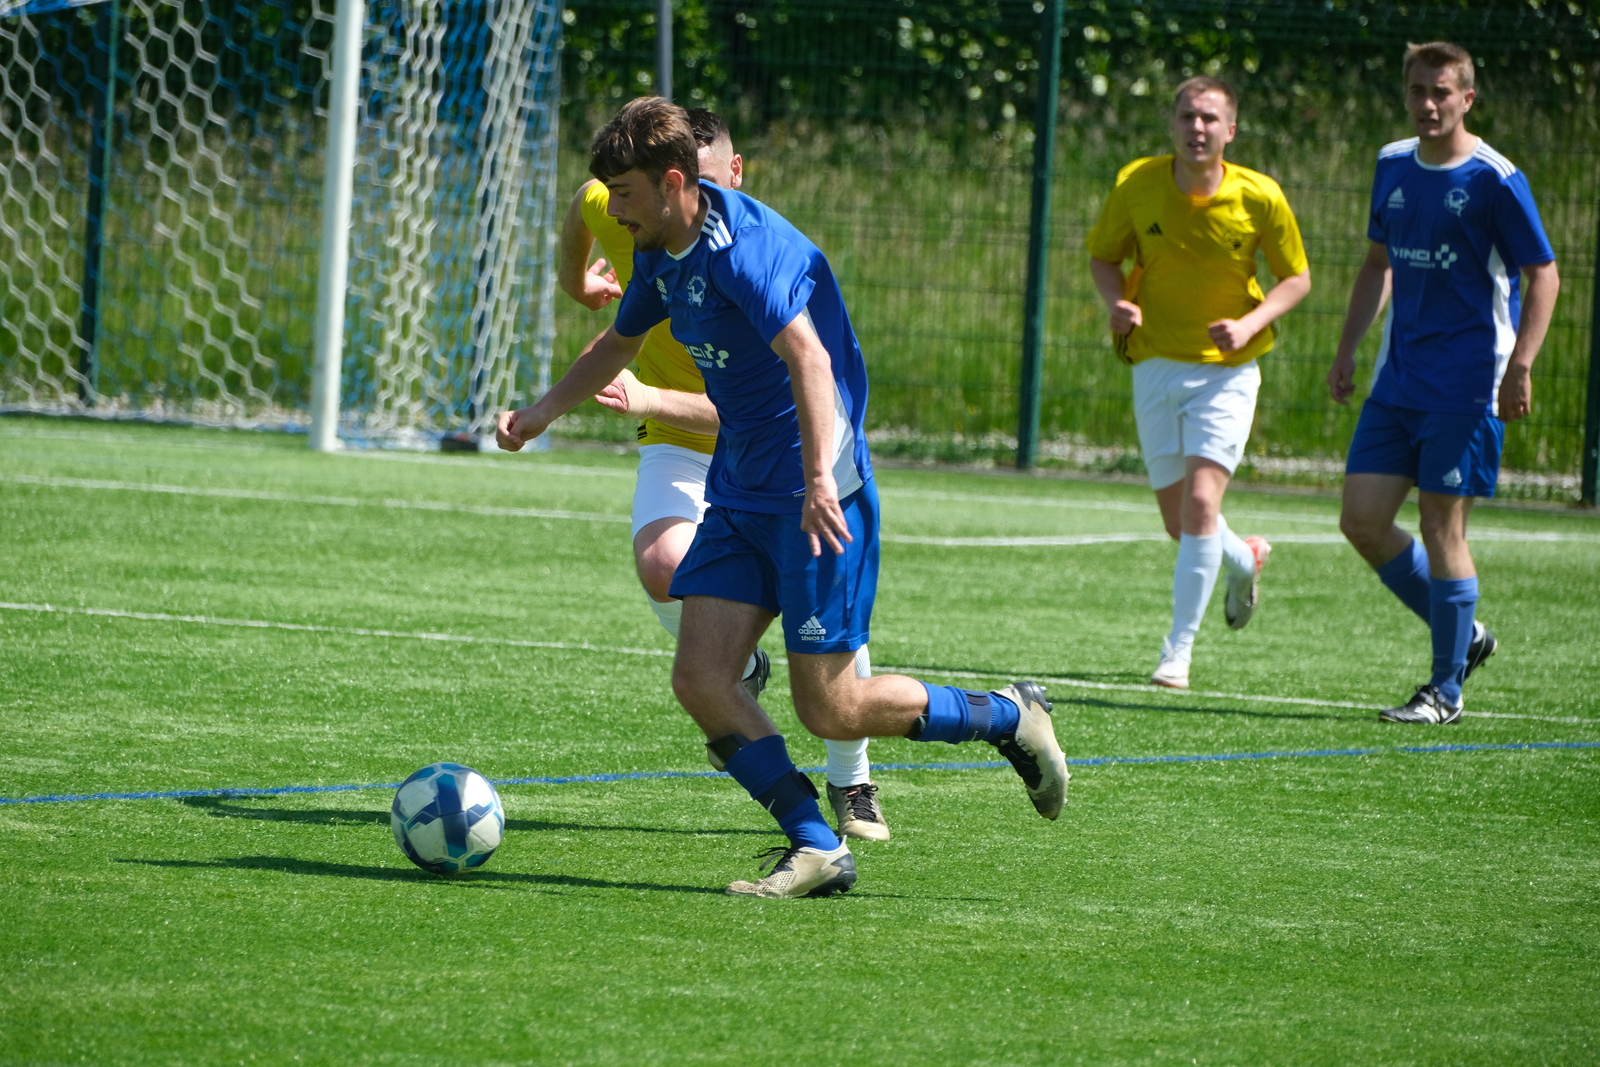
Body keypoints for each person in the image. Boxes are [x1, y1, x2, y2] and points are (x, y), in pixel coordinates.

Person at [499, 97, 1070, 898]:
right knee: (701, 676)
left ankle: (1010, 716)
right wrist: (540, 413)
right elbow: (619, 341)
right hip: (740, 489)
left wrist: (817, 481)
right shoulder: (660, 247)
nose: (613, 210)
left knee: (831, 709)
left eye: (623, 194)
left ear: (672, 183)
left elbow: (810, 359)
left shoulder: (744, 253)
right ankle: (815, 844)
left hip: (813, 492)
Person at [557, 109, 891, 840]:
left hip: (771, 444)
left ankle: (853, 778)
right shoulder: (636, 216)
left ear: (723, 177)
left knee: (821, 626)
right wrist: (575, 280)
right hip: (685, 440)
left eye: (709, 184)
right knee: (662, 567)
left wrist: (649, 398)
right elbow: (584, 209)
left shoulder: (750, 257)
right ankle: (734, 682)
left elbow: (772, 393)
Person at [1328, 42, 1559, 724]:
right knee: (1361, 519)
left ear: (1467, 99)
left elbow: (1543, 274)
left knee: (1440, 527)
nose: (1428, 104)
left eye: (1442, 92)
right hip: (1397, 379)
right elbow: (1378, 263)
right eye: (1418, 91)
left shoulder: (1496, 179)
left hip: (1467, 386)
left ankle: (1445, 693)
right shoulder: (1392, 163)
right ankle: (1465, 635)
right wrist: (1347, 347)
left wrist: (1521, 364)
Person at [1086, 77, 1312, 689]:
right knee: (1181, 524)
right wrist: (1116, 304)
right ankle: (1244, 559)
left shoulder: (1259, 196)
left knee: (1202, 505)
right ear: (1172, 124)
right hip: (1154, 364)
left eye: (1210, 118)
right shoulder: (1137, 184)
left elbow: (1296, 278)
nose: (1197, 128)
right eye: (1187, 115)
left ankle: (1176, 653)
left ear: (1230, 130)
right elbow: (1103, 257)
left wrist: (1250, 323)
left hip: (1227, 372)